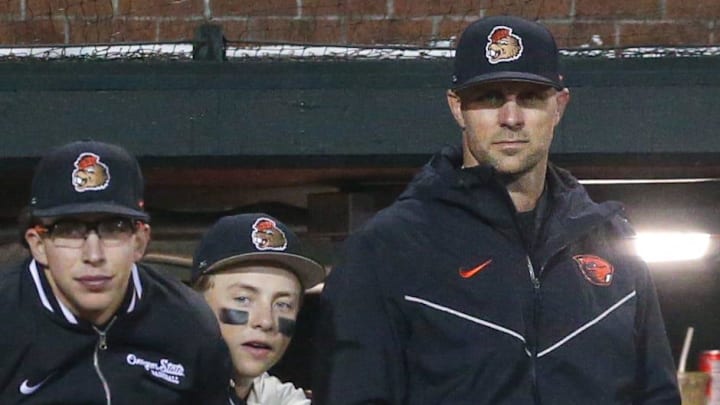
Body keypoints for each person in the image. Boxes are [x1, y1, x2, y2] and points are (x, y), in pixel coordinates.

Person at [313, 15, 681, 405]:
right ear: (457, 107)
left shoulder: (614, 245)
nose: (511, 118)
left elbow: (657, 396)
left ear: (559, 105)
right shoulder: (386, 249)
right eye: (490, 98)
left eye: (531, 97)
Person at [0, 140, 231, 404]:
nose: (94, 255)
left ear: (140, 242)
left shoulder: (188, 321)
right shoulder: (6, 317)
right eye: (69, 230)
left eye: (114, 228)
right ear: (38, 245)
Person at [191, 213, 326, 405]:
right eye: (243, 299)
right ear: (195, 302)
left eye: (283, 304)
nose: (266, 321)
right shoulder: (155, 389)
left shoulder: (275, 397)